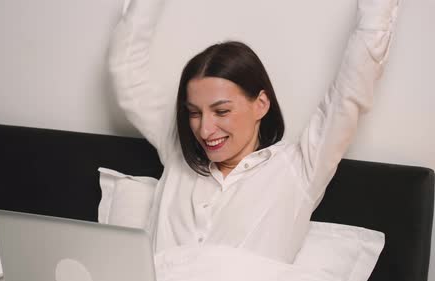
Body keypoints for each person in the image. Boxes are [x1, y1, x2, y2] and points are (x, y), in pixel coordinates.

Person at [108, 0, 399, 263]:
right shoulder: (179, 154)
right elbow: (126, 72)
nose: (205, 129)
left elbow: (350, 90)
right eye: (194, 113)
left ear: (260, 105)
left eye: (222, 111)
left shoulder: (298, 169)